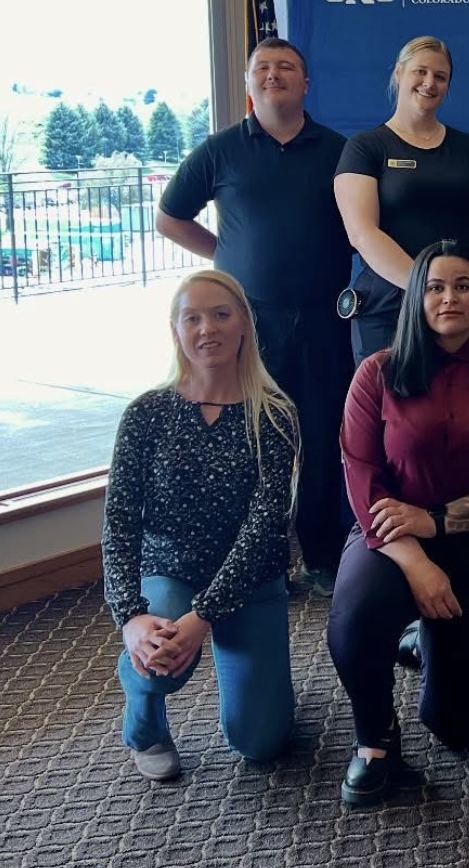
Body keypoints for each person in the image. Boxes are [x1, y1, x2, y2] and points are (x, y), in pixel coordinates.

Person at [327, 240, 469, 806]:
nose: (448, 296)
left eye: (463, 285)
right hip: (390, 537)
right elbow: (360, 474)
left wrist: (436, 523)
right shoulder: (376, 373)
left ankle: (425, 645)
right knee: (353, 623)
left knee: (456, 729)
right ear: (416, 298)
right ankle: (374, 739)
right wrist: (415, 557)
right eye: (434, 286)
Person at [156, 37, 353, 594]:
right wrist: (225, 252)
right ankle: (256, 560)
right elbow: (170, 218)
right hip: (248, 322)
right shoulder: (219, 151)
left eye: (286, 67)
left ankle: (320, 556)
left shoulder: (340, 151)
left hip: (323, 318)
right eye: (262, 68)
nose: (274, 75)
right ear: (248, 83)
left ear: (306, 82)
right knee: (250, 439)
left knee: (319, 436)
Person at [101, 269, 300, 781]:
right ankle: (145, 726)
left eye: (220, 314)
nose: (206, 328)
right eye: (192, 318)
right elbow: (120, 524)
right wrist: (130, 618)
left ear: (244, 327)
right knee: (155, 656)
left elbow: (264, 530)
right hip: (171, 573)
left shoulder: (274, 414)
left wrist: (202, 618)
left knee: (260, 742)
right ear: (176, 332)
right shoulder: (146, 414)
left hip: (252, 584)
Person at [334, 35, 469, 365]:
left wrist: (463, 288)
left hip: (463, 310)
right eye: (420, 72)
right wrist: (426, 290)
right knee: (392, 410)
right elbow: (362, 233)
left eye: (440, 77)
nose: (430, 83)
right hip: (389, 305)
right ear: (399, 73)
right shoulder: (365, 147)